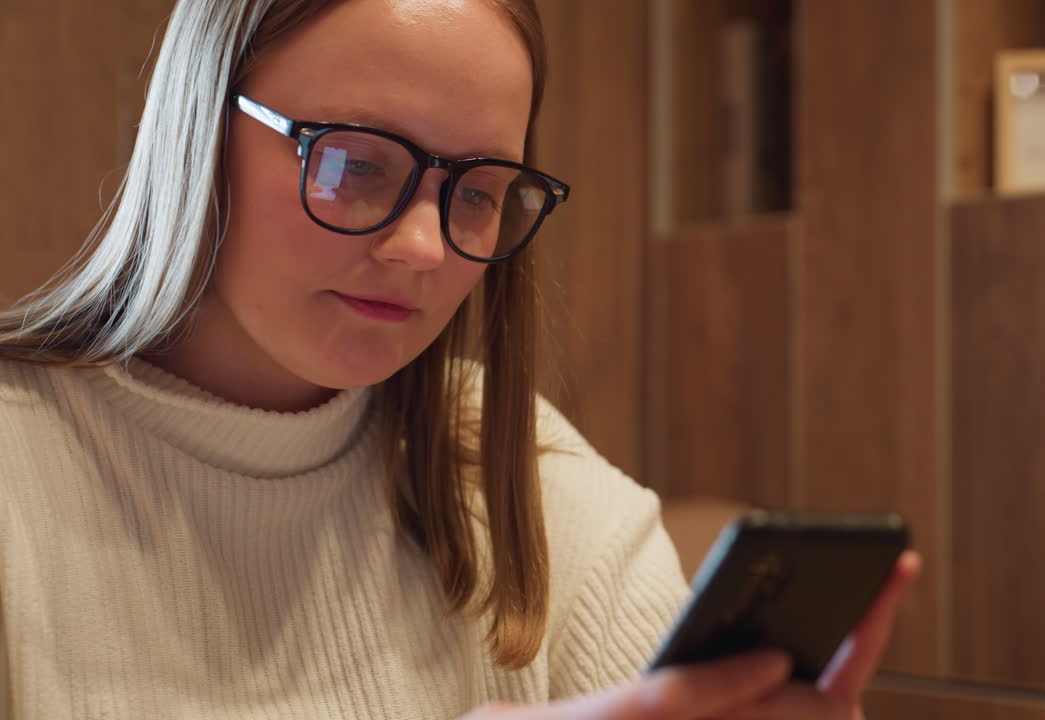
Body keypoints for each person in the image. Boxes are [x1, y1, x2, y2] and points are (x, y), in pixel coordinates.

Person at [0, 0, 921, 717]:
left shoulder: (514, 469)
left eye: (475, 193)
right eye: (357, 165)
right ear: (197, 132)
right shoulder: (22, 474)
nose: (423, 249)